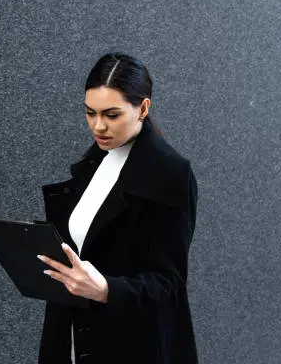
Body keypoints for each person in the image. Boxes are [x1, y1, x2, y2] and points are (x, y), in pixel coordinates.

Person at [36, 53, 198, 363]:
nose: (99, 126)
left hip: (131, 346)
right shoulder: (94, 162)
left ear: (143, 108)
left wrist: (106, 288)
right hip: (74, 339)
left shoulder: (169, 174)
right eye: (90, 113)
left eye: (112, 115)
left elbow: (170, 286)